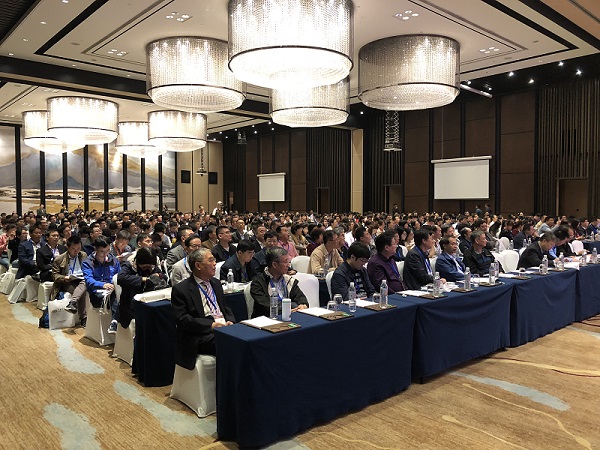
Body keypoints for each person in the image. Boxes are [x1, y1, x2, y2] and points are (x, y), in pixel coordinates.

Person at [171, 247, 235, 367]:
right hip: (200, 334)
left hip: (222, 327)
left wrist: (230, 321)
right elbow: (183, 319)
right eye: (210, 260)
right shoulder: (181, 289)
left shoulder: (216, 283)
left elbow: (225, 308)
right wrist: (211, 325)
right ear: (198, 265)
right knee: (228, 342)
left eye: (214, 260)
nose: (215, 263)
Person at [249, 247, 308, 318]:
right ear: (275, 265)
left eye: (288, 262)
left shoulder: (288, 280)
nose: (288, 265)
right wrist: (286, 310)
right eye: (285, 262)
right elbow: (265, 306)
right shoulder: (258, 282)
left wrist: (303, 305)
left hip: (289, 316)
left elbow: (300, 297)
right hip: (267, 319)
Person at [117, 247, 165, 329]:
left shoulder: (152, 266)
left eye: (149, 266)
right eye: (145, 266)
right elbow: (121, 278)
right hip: (130, 302)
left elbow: (162, 276)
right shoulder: (130, 265)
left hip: (149, 299)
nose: (147, 268)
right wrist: (143, 279)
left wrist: (159, 275)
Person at [81, 238, 121, 334]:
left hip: (113, 290)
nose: (105, 254)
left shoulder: (114, 260)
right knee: (115, 296)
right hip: (97, 294)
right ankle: (115, 322)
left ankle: (116, 322)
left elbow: (120, 276)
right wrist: (103, 285)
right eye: (102, 252)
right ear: (95, 249)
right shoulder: (88, 263)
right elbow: (89, 281)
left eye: (108, 250)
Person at [53, 236, 88, 325]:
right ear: (67, 247)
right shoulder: (59, 259)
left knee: (85, 282)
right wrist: (65, 278)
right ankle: (83, 318)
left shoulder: (83, 255)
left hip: (81, 279)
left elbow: (88, 268)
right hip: (67, 282)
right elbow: (54, 275)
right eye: (73, 249)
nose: (76, 251)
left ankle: (73, 302)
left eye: (78, 248)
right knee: (81, 290)